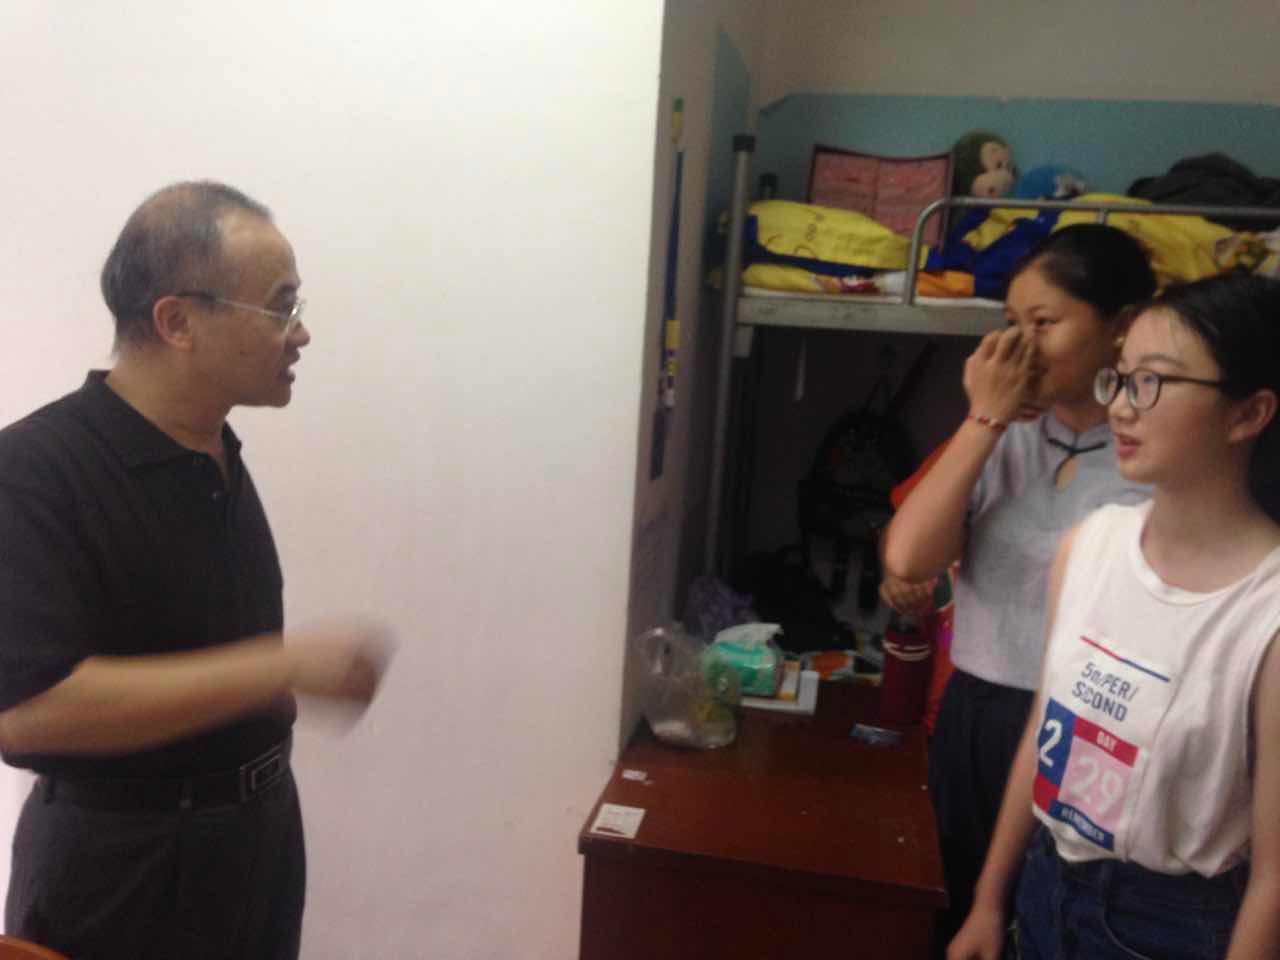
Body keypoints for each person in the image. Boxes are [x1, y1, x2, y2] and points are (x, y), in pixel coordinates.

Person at [0, 181, 390, 960]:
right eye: (279, 306)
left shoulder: (214, 451)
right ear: (177, 321)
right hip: (123, 870)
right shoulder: (36, 469)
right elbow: (29, 711)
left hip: (256, 839)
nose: (301, 332)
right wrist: (278, 666)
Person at [949, 273, 1280, 960]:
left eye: (1152, 382)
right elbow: (1047, 732)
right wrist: (989, 900)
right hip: (1047, 883)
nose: (1122, 407)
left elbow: (1273, 878)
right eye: (1121, 379)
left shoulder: (1265, 609)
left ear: (1248, 414)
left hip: (1176, 924)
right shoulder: (1092, 545)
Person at [881, 224, 1157, 949]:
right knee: (955, 911)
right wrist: (986, 419)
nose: (1021, 346)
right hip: (975, 710)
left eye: (1045, 323)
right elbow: (908, 559)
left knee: (1056, 922)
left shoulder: (1153, 449)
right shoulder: (999, 434)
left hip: (1091, 724)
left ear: (1121, 327)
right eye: (1011, 324)